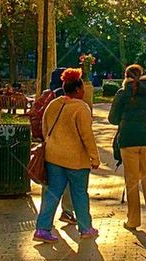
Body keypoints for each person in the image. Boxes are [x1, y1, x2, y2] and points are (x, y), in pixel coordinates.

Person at [33, 68, 100, 242]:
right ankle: (85, 228)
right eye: (82, 88)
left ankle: (42, 229)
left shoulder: (53, 104)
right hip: (76, 160)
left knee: (52, 193)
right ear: (77, 90)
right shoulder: (81, 108)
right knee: (79, 193)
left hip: (53, 157)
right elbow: (87, 136)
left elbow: (45, 128)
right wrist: (94, 157)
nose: (84, 91)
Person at [108, 64, 146, 231]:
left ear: (126, 76)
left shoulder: (122, 94)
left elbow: (112, 119)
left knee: (131, 181)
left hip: (128, 140)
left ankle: (133, 220)